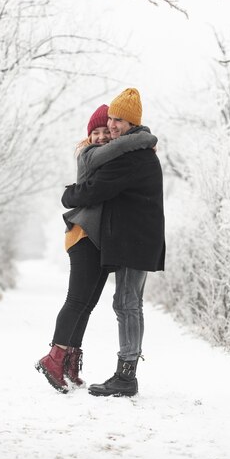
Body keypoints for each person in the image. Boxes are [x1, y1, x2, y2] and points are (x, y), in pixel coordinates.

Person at [36, 103, 157, 393]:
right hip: (84, 235)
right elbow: (100, 180)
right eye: (97, 132)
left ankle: (69, 361)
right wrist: (142, 141)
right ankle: (55, 357)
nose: (103, 136)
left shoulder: (112, 157)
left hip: (100, 240)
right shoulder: (91, 155)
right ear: (88, 136)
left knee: (86, 305)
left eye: (107, 131)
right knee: (77, 301)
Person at [62, 88, 165, 397]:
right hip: (133, 238)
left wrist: (68, 196)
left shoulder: (133, 157)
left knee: (127, 303)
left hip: (137, 240)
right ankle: (125, 373)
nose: (113, 126)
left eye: (119, 120)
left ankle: (126, 375)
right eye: (111, 119)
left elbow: (95, 190)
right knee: (125, 303)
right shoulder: (132, 151)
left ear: (132, 122)